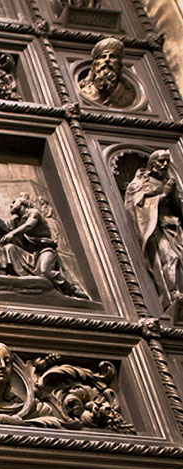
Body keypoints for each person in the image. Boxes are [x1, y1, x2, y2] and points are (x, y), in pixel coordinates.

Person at [0, 194, 87, 298]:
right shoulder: (17, 221)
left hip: (45, 250)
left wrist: (12, 233)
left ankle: (71, 289)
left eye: (14, 202)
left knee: (45, 271)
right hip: (31, 254)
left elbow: (29, 225)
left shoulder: (33, 213)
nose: (11, 205)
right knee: (9, 248)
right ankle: (14, 277)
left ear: (23, 203)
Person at [125, 149, 183, 322]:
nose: (164, 165)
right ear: (152, 163)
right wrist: (163, 195)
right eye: (161, 161)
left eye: (167, 162)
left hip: (175, 229)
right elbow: (136, 207)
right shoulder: (140, 184)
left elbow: (179, 210)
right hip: (157, 231)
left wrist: (173, 196)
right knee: (171, 258)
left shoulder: (168, 182)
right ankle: (174, 294)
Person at [79, 37, 136, 108]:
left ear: (119, 66)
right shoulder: (85, 91)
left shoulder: (127, 94)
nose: (107, 59)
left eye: (112, 56)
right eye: (103, 57)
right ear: (94, 65)